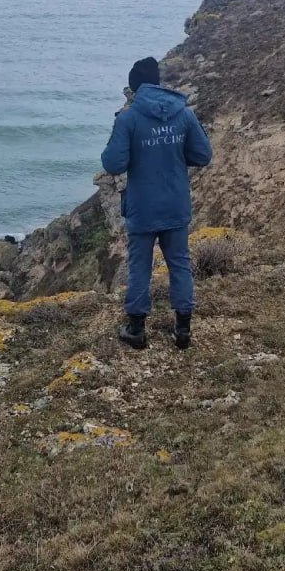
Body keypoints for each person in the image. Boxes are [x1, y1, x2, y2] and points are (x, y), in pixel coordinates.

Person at [100, 56, 213, 350]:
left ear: (134, 87)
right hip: (175, 204)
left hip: (143, 208)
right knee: (179, 264)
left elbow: (113, 163)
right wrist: (173, 154)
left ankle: (136, 329)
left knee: (140, 266)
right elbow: (202, 156)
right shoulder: (184, 114)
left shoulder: (128, 118)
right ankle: (183, 329)